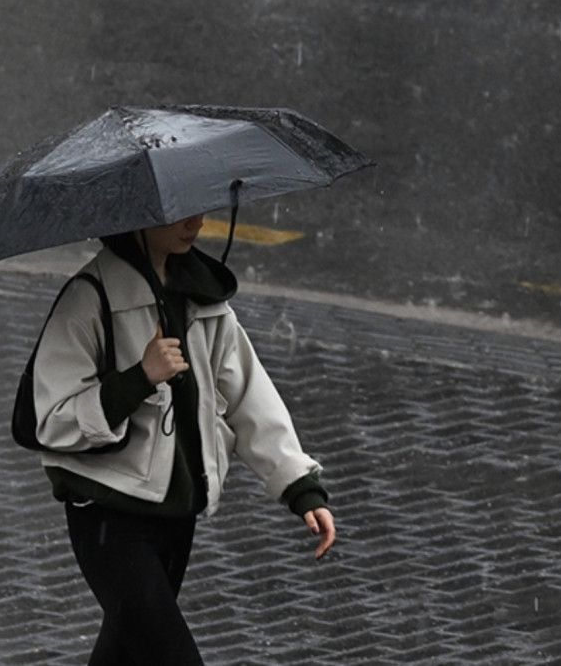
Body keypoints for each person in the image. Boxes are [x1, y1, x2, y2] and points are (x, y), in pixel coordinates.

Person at [30, 213, 336, 665]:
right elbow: (54, 419)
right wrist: (140, 377)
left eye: (197, 208)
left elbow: (248, 396)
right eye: (175, 214)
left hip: (177, 516)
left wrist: (300, 487)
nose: (195, 222)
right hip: (109, 517)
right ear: (138, 216)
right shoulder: (90, 297)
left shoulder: (204, 296)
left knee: (124, 657)